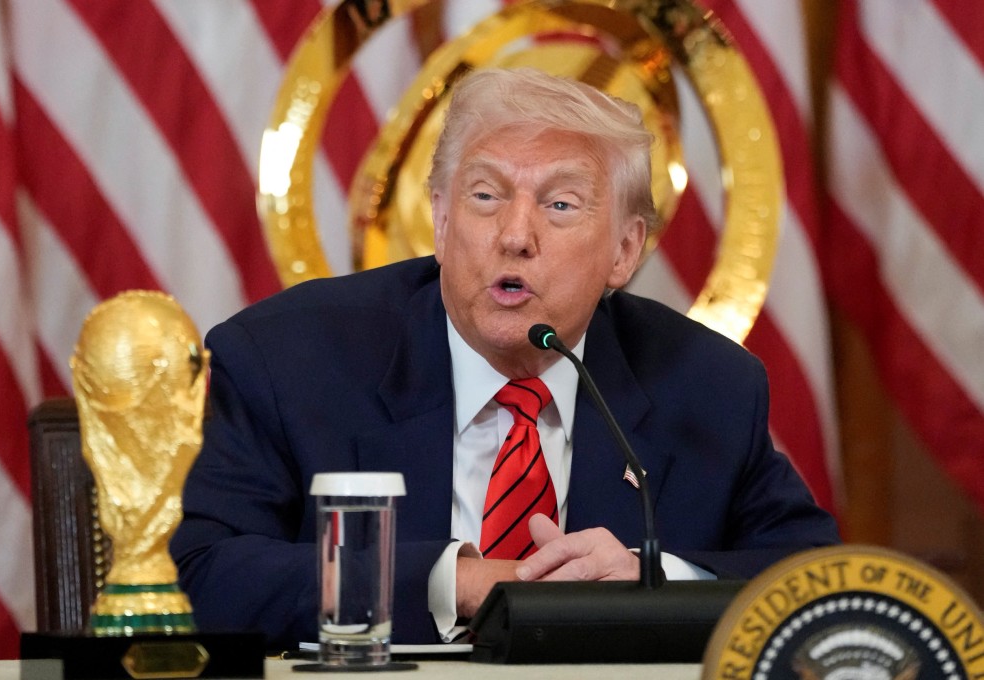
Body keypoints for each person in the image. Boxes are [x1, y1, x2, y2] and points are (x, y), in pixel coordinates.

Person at [171, 67, 839, 649]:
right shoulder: (288, 359)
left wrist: (653, 579)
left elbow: (817, 581)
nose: (515, 236)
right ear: (439, 218)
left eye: (560, 204)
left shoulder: (707, 386)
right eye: (485, 196)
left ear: (624, 252)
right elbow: (199, 577)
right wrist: (454, 582)